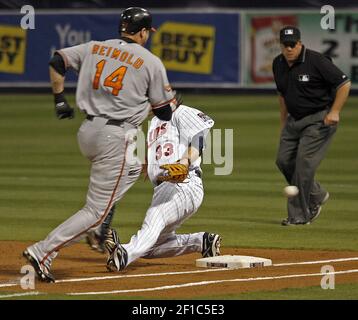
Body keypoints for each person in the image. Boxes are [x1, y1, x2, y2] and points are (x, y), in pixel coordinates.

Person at [23, 7, 177, 282]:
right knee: (94, 211)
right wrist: (165, 102)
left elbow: (57, 61)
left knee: (132, 169)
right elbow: (164, 112)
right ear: (143, 32)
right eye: (147, 32)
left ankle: (98, 229)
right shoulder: (150, 62)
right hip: (115, 138)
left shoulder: (95, 47)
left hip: (88, 131)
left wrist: (60, 100)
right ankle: (43, 252)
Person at [103, 102, 222, 271]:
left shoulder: (180, 111)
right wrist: (149, 165)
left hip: (183, 184)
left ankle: (124, 254)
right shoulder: (156, 122)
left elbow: (200, 135)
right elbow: (165, 150)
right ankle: (202, 241)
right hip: (165, 189)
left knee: (155, 216)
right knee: (150, 248)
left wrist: (185, 160)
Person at [272, 26, 351, 226]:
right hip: (293, 121)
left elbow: (344, 84)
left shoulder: (316, 61)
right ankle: (316, 194)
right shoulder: (278, 63)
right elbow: (282, 94)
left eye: (293, 44)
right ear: (280, 45)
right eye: (285, 45)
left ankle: (300, 215)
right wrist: (283, 121)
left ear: (299, 43)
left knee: (303, 165)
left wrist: (334, 111)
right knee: (283, 161)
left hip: (318, 119)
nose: (289, 48)